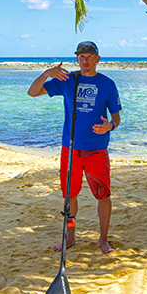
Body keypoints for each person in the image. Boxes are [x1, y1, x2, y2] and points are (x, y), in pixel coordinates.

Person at [27, 41, 121, 254]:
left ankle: (103, 240)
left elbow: (116, 116)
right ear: (77, 59)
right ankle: (70, 238)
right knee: (70, 196)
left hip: (96, 148)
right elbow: (33, 92)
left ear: (97, 59)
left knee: (103, 195)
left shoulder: (107, 84)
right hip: (70, 149)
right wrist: (46, 73)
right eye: (81, 56)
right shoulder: (68, 80)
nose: (85, 60)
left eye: (89, 56)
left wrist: (110, 126)